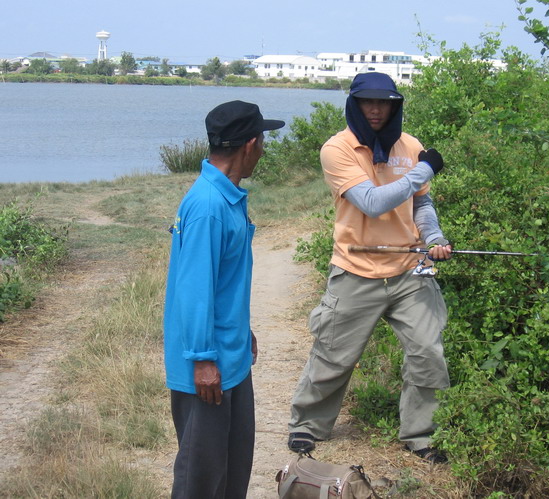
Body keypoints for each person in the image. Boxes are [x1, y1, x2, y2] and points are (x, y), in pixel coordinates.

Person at [288, 72, 452, 464]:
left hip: (411, 269)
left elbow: (421, 204)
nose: (376, 109)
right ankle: (306, 426)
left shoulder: (410, 146)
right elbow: (373, 202)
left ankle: (420, 434)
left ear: (395, 106)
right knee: (334, 354)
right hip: (355, 267)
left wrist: (434, 238)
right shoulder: (338, 149)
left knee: (428, 351)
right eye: (368, 102)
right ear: (355, 105)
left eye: (386, 103)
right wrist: (423, 171)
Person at [163, 100, 285, 498]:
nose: (264, 149)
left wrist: (240, 328)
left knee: (232, 468)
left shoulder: (227, 196)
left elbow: (222, 282)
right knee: (200, 476)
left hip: (229, 357)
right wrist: (202, 359)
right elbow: (193, 289)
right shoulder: (208, 207)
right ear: (250, 144)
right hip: (208, 365)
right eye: (263, 139)